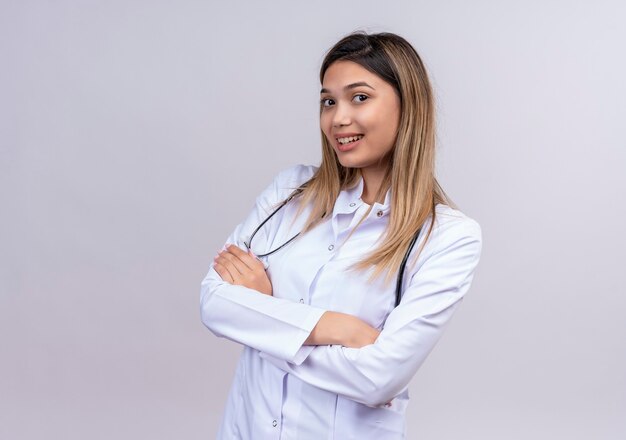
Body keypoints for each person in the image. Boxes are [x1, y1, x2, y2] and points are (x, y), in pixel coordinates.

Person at [200, 30, 482, 439]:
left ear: (409, 106)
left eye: (359, 97)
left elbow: (378, 379)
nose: (338, 118)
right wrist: (334, 327)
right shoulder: (288, 193)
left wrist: (263, 316)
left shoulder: (446, 238)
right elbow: (213, 301)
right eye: (328, 101)